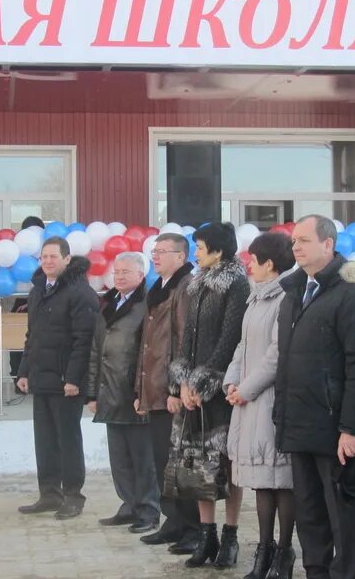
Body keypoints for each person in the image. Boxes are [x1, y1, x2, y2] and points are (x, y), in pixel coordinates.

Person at [274, 214, 355, 579]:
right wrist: (281, 416)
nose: (296, 247)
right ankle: (315, 571)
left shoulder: (352, 295)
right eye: (293, 242)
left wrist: (351, 427)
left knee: (341, 514)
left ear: (328, 244)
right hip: (299, 423)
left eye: (303, 240)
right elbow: (286, 362)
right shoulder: (293, 293)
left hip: (335, 429)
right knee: (309, 512)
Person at [169, 222, 250, 569]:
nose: (196, 253)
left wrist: (204, 383)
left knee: (226, 467)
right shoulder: (196, 283)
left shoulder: (236, 283)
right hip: (195, 390)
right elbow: (188, 336)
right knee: (197, 464)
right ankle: (207, 536)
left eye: (200, 247)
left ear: (218, 250)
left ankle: (230, 537)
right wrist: (184, 381)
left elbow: (230, 338)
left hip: (222, 388)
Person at [223, 232, 297, 579]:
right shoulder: (256, 298)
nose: (248, 264)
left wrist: (248, 389)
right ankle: (263, 549)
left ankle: (284, 552)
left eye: (253, 259)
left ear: (270, 263)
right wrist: (232, 381)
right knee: (261, 480)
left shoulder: (285, 297)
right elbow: (243, 345)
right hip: (249, 398)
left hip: (269, 400)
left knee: (280, 477)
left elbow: (277, 353)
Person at [16, 236, 99, 520]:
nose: (48, 261)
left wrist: (74, 379)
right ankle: (49, 493)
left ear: (67, 259)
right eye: (44, 257)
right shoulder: (39, 290)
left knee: (68, 439)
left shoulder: (80, 292)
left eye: (54, 257)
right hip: (42, 378)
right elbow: (33, 336)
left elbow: (84, 341)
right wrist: (24, 371)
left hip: (67, 382)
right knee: (46, 440)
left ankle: (74, 495)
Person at [133, 233, 201, 554]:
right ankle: (172, 522)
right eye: (154, 251)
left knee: (179, 463)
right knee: (162, 461)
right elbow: (146, 344)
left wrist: (177, 387)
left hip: (172, 390)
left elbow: (184, 341)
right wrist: (140, 389)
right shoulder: (157, 287)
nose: (156, 256)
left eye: (162, 251)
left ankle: (192, 528)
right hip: (154, 387)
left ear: (181, 255)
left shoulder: (184, 286)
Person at [85, 252, 160, 534]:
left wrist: (144, 392)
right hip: (109, 392)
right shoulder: (109, 305)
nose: (119, 276)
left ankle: (149, 510)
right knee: (119, 458)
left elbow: (149, 354)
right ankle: (128, 504)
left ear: (141, 276)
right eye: (116, 272)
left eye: (126, 272)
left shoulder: (148, 305)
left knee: (143, 459)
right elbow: (96, 351)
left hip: (134, 393)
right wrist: (91, 393)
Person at [0, 215, 45, 393]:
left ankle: (26, 382)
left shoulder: (46, 253)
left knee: (31, 347)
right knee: (18, 346)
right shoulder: (13, 251)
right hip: (16, 309)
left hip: (40, 306)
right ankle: (20, 382)